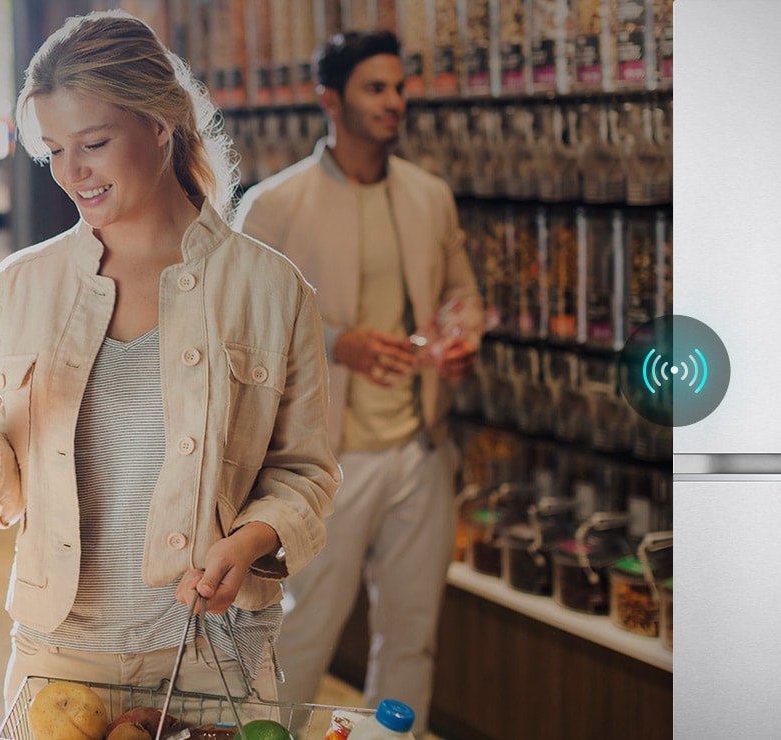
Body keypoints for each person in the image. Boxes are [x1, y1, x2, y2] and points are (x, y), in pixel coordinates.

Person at [0, 10, 339, 711]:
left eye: (94, 143)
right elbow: (4, 501)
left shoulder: (270, 288)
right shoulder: (19, 287)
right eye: (54, 151)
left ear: (159, 125)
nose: (73, 173)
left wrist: (249, 540)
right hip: (59, 656)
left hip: (213, 654)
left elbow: (306, 473)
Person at [232, 29, 483, 732]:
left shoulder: (430, 196)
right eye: (376, 88)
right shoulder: (274, 206)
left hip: (420, 450)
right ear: (329, 101)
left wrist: (462, 340)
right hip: (324, 463)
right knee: (303, 630)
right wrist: (341, 344)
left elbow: (462, 294)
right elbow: (238, 329)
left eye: (399, 87)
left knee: (411, 638)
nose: (394, 102)